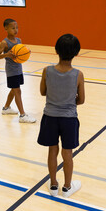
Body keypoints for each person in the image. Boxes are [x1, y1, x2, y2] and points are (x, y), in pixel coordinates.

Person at [37, 34, 85, 198]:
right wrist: (68, 102)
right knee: (67, 153)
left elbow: (43, 92)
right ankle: (66, 187)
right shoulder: (78, 74)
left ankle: (53, 184)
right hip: (69, 119)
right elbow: (82, 100)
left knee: (52, 150)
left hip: (50, 117)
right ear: (77, 53)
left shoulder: (46, 71)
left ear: (56, 50)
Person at [0, 18, 36, 123]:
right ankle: (22, 115)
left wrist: (27, 52)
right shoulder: (4, 43)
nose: (15, 30)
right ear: (6, 28)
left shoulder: (19, 40)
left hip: (19, 68)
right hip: (11, 70)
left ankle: (6, 108)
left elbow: (21, 52)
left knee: (14, 89)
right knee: (17, 90)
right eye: (13, 28)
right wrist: (7, 54)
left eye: (17, 27)